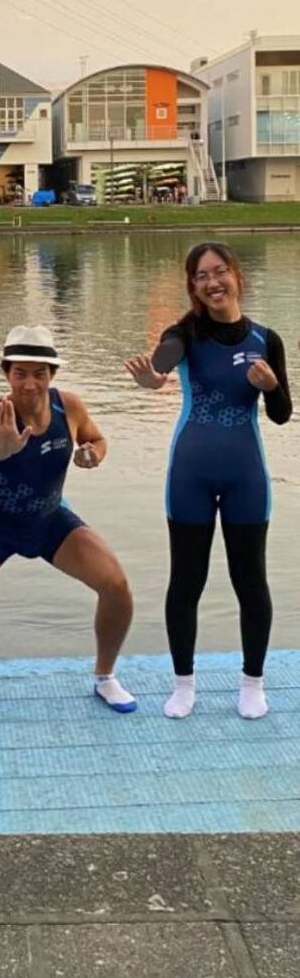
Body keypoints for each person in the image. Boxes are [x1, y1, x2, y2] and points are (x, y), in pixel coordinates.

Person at [0, 325, 136, 714]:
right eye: (19, 373)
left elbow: (96, 438)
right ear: (6, 374)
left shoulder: (68, 407)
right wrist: (0, 447)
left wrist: (92, 454)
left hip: (51, 520)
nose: (29, 384)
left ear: (52, 375)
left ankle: (105, 676)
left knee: (117, 586)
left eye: (39, 373)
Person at [125, 242, 292, 719]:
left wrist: (271, 388)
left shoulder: (266, 339)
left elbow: (282, 414)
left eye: (219, 272)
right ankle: (183, 685)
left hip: (246, 477)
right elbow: (165, 356)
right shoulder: (186, 333)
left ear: (236, 275)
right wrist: (155, 374)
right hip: (190, 476)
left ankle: (252, 683)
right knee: (186, 580)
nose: (212, 282)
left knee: (250, 580)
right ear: (193, 287)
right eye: (201, 276)